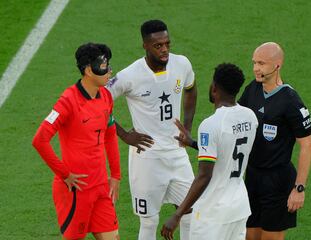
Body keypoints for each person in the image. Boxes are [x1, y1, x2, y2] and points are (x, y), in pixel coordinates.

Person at [106, 20, 197, 240]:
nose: (164, 49)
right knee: (149, 221)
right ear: (145, 45)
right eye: (158, 45)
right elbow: (98, 102)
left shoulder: (182, 64)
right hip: (147, 158)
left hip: (176, 153)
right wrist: (125, 135)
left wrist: (187, 126)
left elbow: (191, 89)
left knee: (190, 212)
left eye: (167, 43)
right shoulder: (129, 75)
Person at [32, 43, 121, 240]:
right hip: (76, 190)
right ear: (89, 70)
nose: (109, 71)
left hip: (100, 188)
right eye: (104, 65)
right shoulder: (67, 101)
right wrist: (64, 174)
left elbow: (109, 135)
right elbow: (40, 140)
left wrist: (115, 175)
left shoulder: (106, 95)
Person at [161, 63, 259, 240]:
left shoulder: (210, 124)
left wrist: (178, 214)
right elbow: (228, 149)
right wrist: (192, 143)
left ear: (214, 88)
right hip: (239, 207)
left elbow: (204, 176)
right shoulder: (250, 116)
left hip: (213, 212)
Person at [238, 42, 311, 240]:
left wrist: (299, 188)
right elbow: (236, 119)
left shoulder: (291, 101)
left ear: (277, 65)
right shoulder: (252, 89)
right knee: (249, 236)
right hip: (252, 177)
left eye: (262, 63)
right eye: (254, 62)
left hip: (277, 180)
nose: (256, 68)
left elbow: (307, 145)